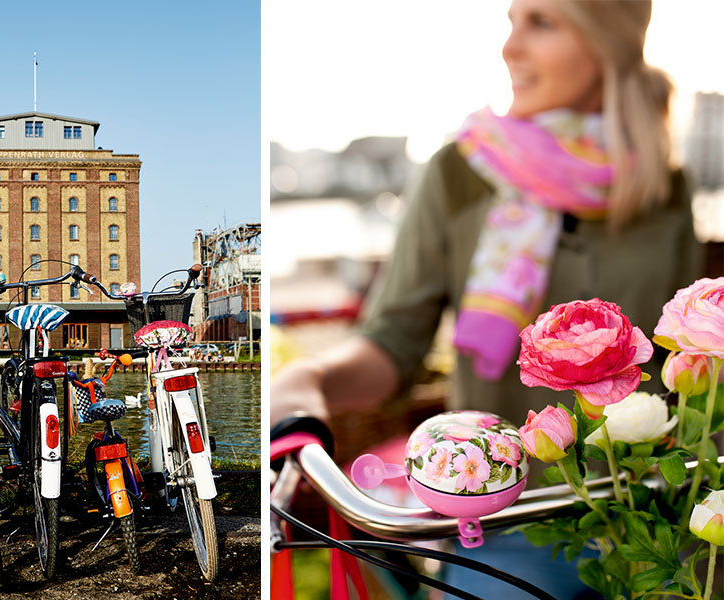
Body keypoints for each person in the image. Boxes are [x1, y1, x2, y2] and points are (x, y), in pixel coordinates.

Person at [271, 0, 701, 598]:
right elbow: (393, 343)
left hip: (652, 509)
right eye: (512, 21)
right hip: (507, 518)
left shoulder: (663, 184)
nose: (510, 48)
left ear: (610, 41)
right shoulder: (460, 170)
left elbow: (687, 359)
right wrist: (308, 378)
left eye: (542, 22)